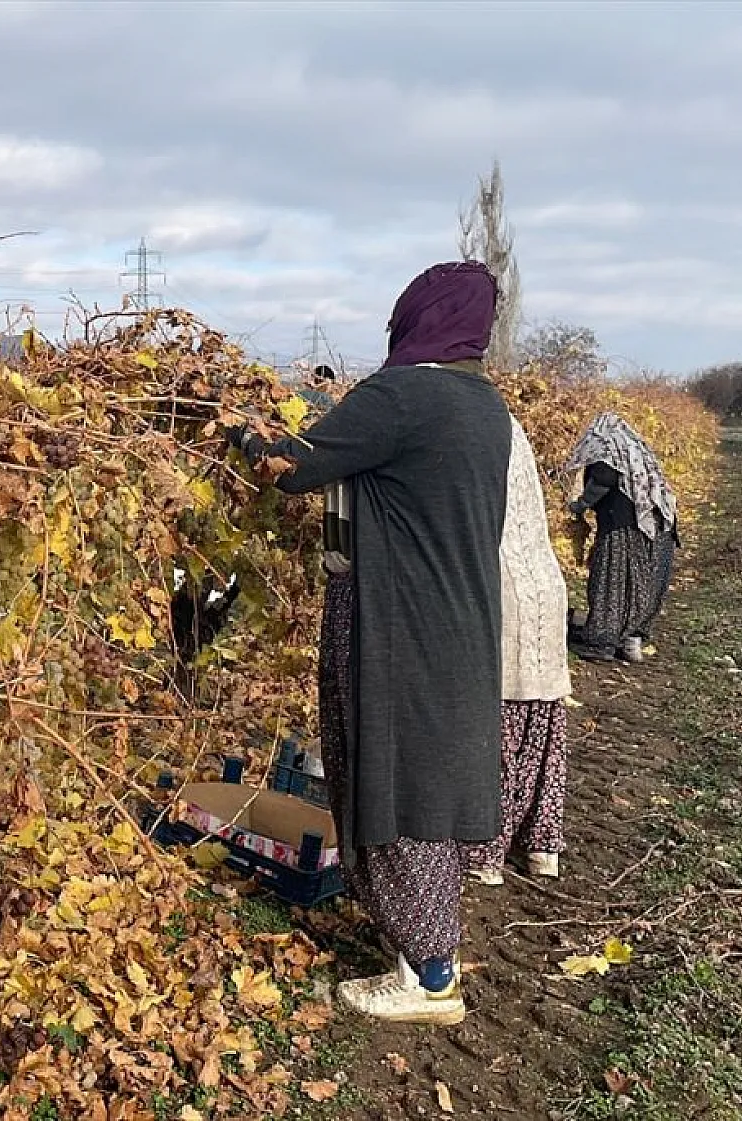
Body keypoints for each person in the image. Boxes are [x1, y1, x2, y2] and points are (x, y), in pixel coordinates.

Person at [230, 261, 512, 1026]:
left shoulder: (403, 395)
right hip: (457, 621)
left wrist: (234, 428)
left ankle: (429, 977)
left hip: (398, 622)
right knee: (429, 779)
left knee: (396, 778)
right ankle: (425, 947)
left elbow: (291, 466)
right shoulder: (483, 405)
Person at [468, 417, 573, 885]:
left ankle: (485, 857)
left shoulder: (476, 439)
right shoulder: (515, 440)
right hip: (546, 585)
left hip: (505, 588)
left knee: (497, 738)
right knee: (543, 734)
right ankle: (541, 849)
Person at [564, 413, 679, 664]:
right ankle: (631, 639)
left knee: (611, 581)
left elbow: (603, 480)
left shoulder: (608, 450)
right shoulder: (637, 452)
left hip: (626, 528)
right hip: (659, 528)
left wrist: (579, 506)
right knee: (641, 585)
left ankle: (603, 643)